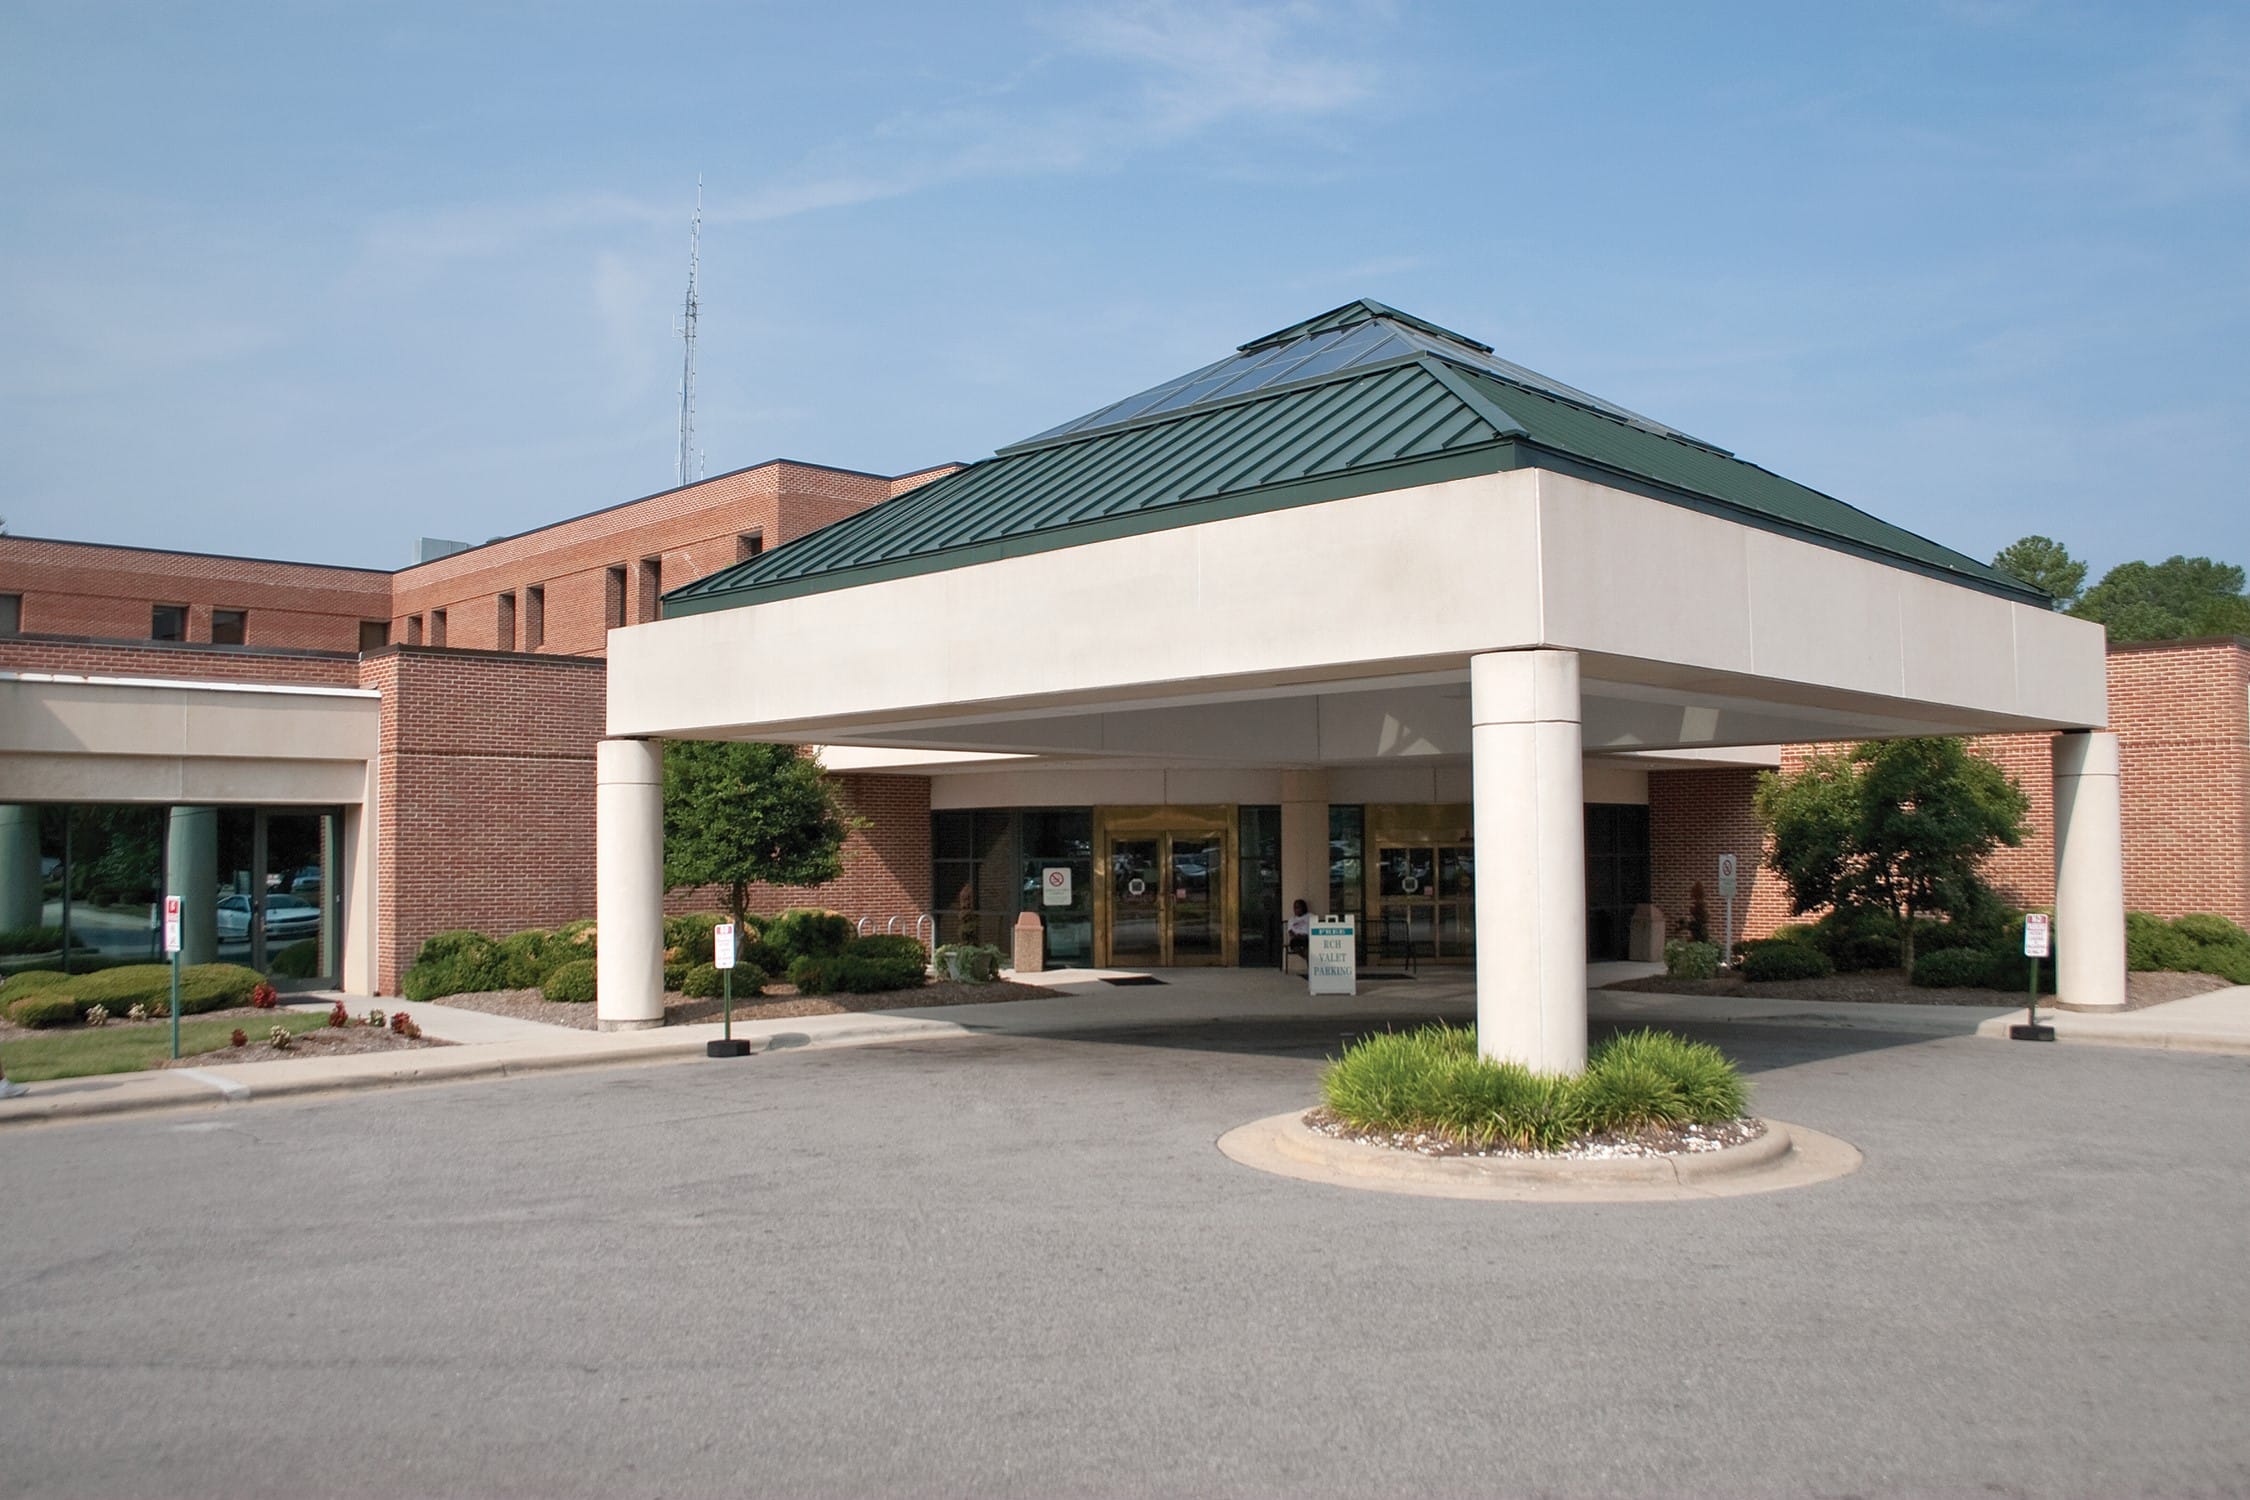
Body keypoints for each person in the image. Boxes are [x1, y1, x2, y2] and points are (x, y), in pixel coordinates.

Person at [1285, 899, 1312, 968]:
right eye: (1294, 908)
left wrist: (1306, 935)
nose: (1296, 910)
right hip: (1296, 938)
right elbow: (1290, 931)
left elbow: (1316, 927)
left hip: (1308, 937)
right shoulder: (1292, 919)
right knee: (1295, 946)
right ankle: (1311, 961)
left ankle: (1311, 967)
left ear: (1303, 907)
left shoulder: (1310, 916)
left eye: (1298, 907)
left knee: (1308, 949)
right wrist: (1295, 935)